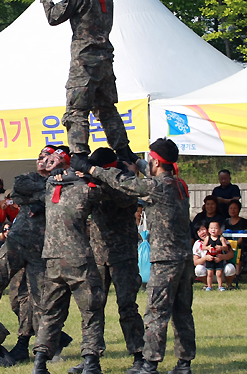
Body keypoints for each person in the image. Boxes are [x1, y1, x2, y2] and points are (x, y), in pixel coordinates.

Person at [89, 138, 195, 374]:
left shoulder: (155, 187)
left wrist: (93, 170)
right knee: (182, 312)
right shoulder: (180, 185)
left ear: (156, 161)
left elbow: (122, 182)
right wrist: (133, 158)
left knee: (156, 312)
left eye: (150, 159)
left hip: (165, 260)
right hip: (184, 258)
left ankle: (149, 364)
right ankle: (184, 364)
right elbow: (151, 172)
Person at [37, 0, 138, 167]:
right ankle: (124, 152)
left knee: (76, 110)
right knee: (106, 108)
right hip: (105, 59)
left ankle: (80, 157)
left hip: (84, 61)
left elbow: (53, 16)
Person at [70, 147, 145, 374]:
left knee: (127, 306)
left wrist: (95, 180)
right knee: (92, 307)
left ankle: (140, 356)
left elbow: (122, 197)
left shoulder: (127, 180)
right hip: (98, 254)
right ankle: (91, 357)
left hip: (123, 255)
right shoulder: (91, 183)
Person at [0, 146, 55, 364]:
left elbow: (62, 198)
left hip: (41, 251)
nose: (42, 161)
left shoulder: (63, 180)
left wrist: (40, 198)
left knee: (36, 300)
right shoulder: (27, 178)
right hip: (16, 243)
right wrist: (45, 198)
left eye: (48, 158)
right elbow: (19, 189)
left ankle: (32, 346)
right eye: (40, 158)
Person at [33, 147, 104, 374]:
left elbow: (48, 175)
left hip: (52, 259)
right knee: (91, 310)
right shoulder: (85, 190)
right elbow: (105, 191)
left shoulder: (50, 186)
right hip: (78, 257)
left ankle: (40, 362)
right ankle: (91, 362)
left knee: (50, 312)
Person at [201, 220, 230, 292]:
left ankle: (220, 286)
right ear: (208, 230)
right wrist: (208, 248)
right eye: (211, 228)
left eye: (216, 228)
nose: (213, 230)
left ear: (220, 230)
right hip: (210, 258)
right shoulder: (207, 238)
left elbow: (226, 247)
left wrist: (221, 248)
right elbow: (203, 247)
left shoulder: (221, 238)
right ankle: (209, 286)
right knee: (209, 273)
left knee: (219, 273)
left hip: (218, 258)